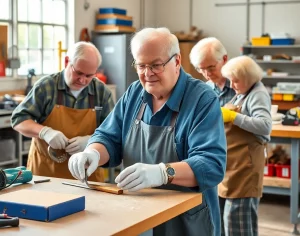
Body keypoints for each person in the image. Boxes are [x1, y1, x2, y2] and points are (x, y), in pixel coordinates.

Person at [68, 27, 226, 236]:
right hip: (139, 215)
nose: (147, 73)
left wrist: (162, 173)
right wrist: (93, 154)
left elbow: (211, 164)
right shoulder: (135, 93)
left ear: (177, 61)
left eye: (156, 65)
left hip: (186, 222)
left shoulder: (202, 99)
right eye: (141, 65)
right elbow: (108, 137)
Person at [11, 41, 115, 181]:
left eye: (89, 75)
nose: (83, 80)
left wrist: (91, 141)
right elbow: (19, 120)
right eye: (78, 73)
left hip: (86, 177)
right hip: (45, 174)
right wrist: (45, 132)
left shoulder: (102, 92)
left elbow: (113, 133)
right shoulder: (46, 87)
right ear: (67, 61)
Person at [219, 55, 272, 236]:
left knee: (237, 223)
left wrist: (234, 117)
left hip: (245, 170)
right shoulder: (242, 93)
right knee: (232, 223)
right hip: (234, 168)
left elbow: (265, 126)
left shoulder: (257, 94)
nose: (232, 85)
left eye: (235, 81)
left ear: (248, 78)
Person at [189, 37, 235, 106]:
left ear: (224, 59)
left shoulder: (243, 86)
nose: (207, 74)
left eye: (211, 68)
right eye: (202, 69)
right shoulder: (203, 91)